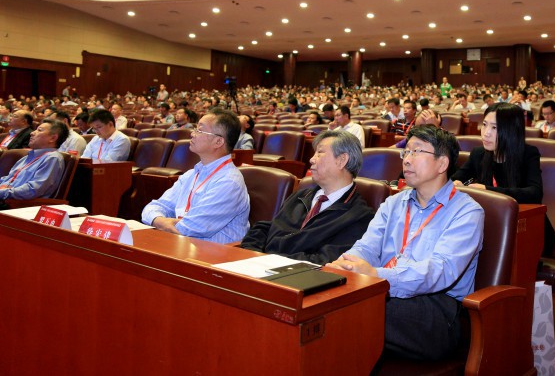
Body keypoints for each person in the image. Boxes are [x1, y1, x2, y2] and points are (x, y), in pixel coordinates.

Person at [329, 126, 484, 361]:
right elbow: (367, 247)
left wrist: (376, 276)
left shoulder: (467, 212)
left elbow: (439, 271)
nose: (407, 159)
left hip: (437, 308)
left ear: (442, 164)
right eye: (406, 152)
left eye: (417, 151)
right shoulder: (393, 203)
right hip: (383, 290)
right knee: (332, 300)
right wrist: (347, 266)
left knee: (348, 309)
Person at [241, 130, 374, 263]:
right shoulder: (301, 196)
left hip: (291, 273)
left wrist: (269, 261)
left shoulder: (359, 216)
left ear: (341, 160)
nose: (311, 159)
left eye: (320, 153)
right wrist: (250, 255)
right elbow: (266, 228)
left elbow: (325, 261)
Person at [452, 103, 555, 256]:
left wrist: (487, 191)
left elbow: (534, 193)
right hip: (492, 229)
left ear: (511, 130)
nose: (486, 133)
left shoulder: (528, 154)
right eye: (484, 125)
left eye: (494, 127)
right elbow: (455, 180)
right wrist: (456, 184)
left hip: (526, 231)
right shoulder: (478, 154)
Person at [141, 108, 250, 244]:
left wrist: (159, 222)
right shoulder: (191, 174)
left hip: (214, 253)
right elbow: (154, 207)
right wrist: (159, 220)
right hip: (181, 245)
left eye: (200, 130)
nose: (192, 134)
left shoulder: (229, 182)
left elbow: (191, 228)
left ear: (218, 142)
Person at [0, 121, 69, 208]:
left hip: (19, 205)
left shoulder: (52, 158)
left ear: (53, 138)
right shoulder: (27, 157)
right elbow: (7, 179)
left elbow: (33, 190)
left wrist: (3, 193)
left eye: (39, 130)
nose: (32, 133)